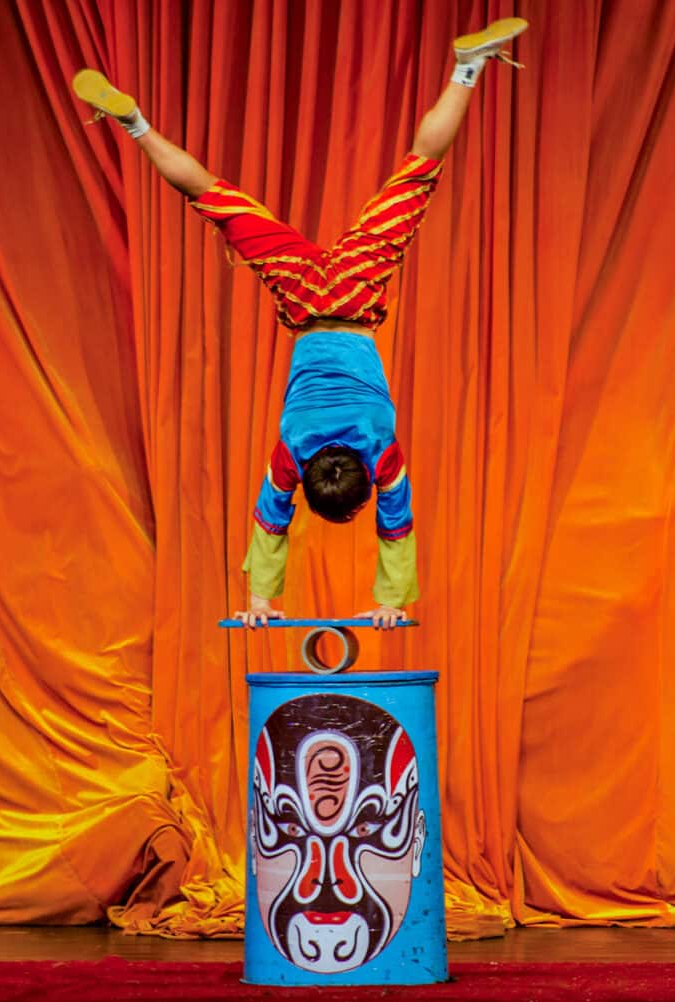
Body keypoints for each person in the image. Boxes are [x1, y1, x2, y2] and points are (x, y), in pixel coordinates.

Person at [72, 17, 528, 628]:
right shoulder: (290, 453)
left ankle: (465, 70)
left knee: (420, 167)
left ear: (361, 477)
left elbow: (397, 526)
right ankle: (136, 124)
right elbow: (271, 518)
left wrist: (389, 604)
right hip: (303, 292)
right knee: (210, 195)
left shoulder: (381, 454)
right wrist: (260, 603)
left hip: (354, 293)